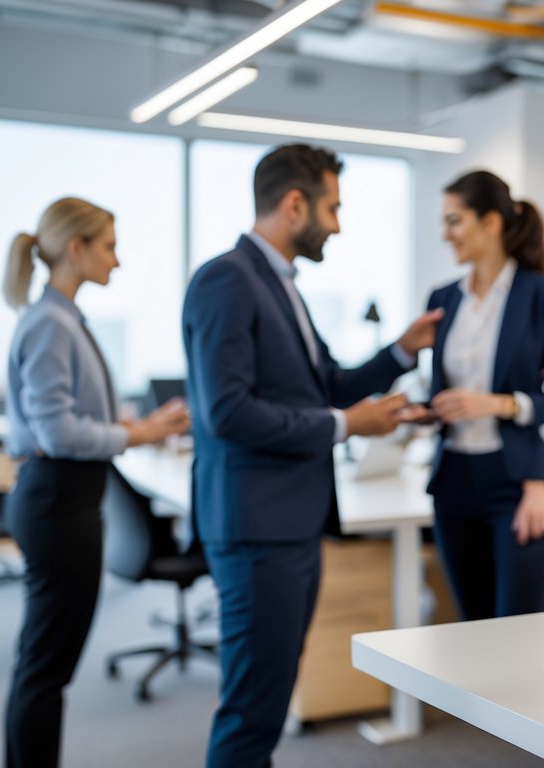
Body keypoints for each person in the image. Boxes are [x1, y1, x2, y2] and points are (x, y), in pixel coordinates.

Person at [181, 144, 442, 767]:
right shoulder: (227, 280)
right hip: (256, 530)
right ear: (295, 204)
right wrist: (346, 425)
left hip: (289, 525)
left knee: (266, 700)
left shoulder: (279, 284)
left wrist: (401, 352)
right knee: (251, 711)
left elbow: (323, 383)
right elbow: (228, 413)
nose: (338, 225)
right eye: (333, 208)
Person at [1, 197, 190, 768]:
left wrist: (131, 425)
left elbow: (65, 421)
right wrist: (139, 433)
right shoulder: (50, 325)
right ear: (76, 248)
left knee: (44, 664)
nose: (118, 259)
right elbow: (58, 433)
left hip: (65, 498)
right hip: (57, 502)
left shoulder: (61, 320)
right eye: (109, 246)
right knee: (45, 668)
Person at [412, 169, 544, 620]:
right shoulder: (442, 299)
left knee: (516, 628)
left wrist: (499, 403)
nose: (446, 234)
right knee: (471, 625)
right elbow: (439, 389)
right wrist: (421, 412)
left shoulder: (542, 293)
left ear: (491, 223)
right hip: (453, 481)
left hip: (516, 482)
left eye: (454, 221)